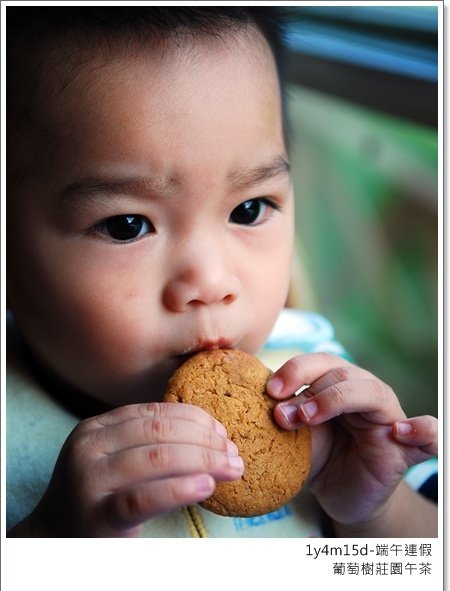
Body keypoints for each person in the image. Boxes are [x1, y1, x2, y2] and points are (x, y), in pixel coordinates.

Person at [6, 6, 438, 538]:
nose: (212, 283)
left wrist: (377, 510)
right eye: (126, 225)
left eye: (249, 209)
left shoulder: (320, 389)